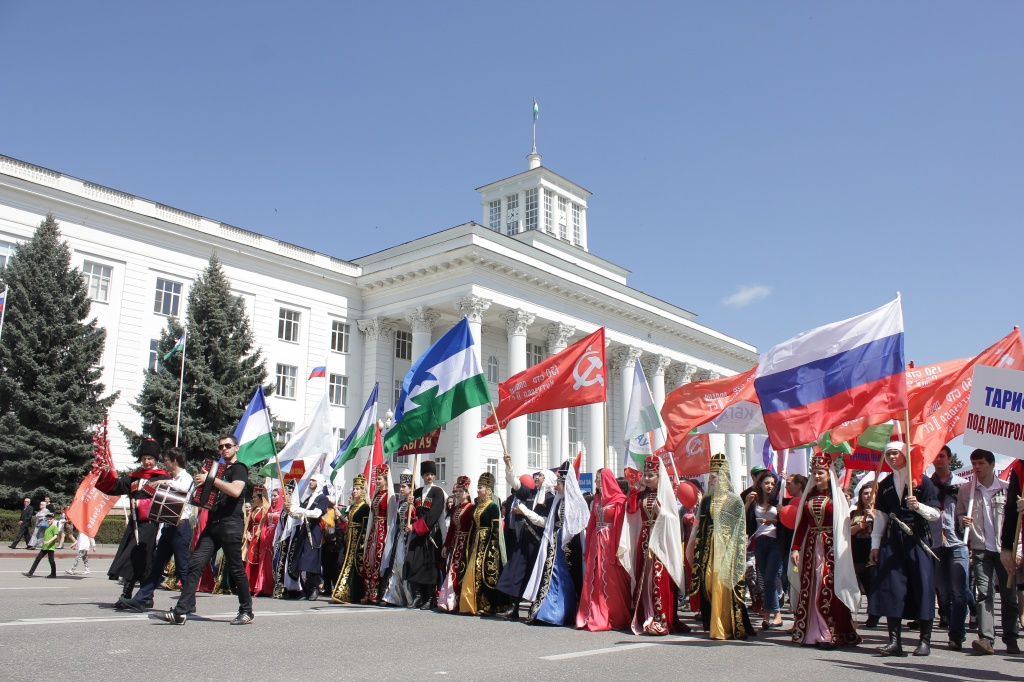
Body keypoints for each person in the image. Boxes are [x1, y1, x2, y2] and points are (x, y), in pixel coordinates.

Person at [158, 434, 253, 626]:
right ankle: (181, 611)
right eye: (220, 447)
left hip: (230, 524)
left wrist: (211, 479)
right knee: (195, 564)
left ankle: (246, 611)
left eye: (227, 446)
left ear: (236, 448)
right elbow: (204, 498)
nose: (223, 449)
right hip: (213, 523)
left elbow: (235, 491)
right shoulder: (218, 470)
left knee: (235, 568)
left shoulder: (239, 469)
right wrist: (203, 486)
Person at [869, 441, 940, 656]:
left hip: (917, 538)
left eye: (895, 453)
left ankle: (925, 641)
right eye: (888, 453)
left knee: (923, 584)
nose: (891, 457)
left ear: (905, 455)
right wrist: (875, 544)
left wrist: (918, 506)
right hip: (893, 540)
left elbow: (936, 514)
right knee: (892, 587)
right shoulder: (886, 483)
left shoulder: (923, 481)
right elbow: (880, 517)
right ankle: (894, 642)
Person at [789, 454, 860, 649]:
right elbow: (802, 524)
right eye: (814, 473)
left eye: (820, 473)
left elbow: (843, 524)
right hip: (812, 546)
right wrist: (796, 549)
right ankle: (811, 631)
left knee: (826, 585)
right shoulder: (810, 495)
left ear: (829, 474)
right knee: (811, 586)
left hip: (831, 546)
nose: (817, 476)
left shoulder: (836, 496)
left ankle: (830, 633)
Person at [95, 438, 170, 608]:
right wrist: (106, 473)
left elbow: (167, 500)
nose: (146, 462)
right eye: (144, 458)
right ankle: (142, 596)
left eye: (150, 458)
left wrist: (143, 504)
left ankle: (129, 593)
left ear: (155, 459)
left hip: (151, 524)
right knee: (140, 558)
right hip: (134, 524)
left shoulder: (163, 477)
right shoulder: (134, 477)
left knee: (135, 556)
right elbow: (115, 487)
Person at [959, 448, 1020, 655]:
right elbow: (960, 514)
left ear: (992, 465)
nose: (976, 467)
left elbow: (1017, 522)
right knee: (983, 593)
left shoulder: (1006, 488)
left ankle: (1011, 638)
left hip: (1005, 550)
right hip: (980, 548)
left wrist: (1017, 549)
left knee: (1008, 594)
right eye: (974, 463)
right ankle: (986, 638)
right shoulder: (966, 490)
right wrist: (962, 521)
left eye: (981, 463)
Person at [687, 452, 755, 640]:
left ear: (723, 477)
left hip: (727, 549)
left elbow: (739, 527)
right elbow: (701, 526)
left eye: (714, 477)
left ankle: (727, 624)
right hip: (710, 549)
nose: (711, 481)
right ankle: (712, 621)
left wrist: (736, 548)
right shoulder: (706, 500)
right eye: (710, 477)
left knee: (724, 585)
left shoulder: (734, 500)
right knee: (708, 582)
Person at [122, 447, 194, 611]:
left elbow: (183, 488)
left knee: (183, 568)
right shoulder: (175, 478)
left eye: (167, 460)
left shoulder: (185, 477)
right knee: (156, 566)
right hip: (168, 527)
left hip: (180, 528)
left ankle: (189, 603)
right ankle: (142, 599)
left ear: (174, 461)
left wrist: (164, 481)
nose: (165, 464)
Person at [625, 456, 686, 636]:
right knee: (644, 578)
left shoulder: (665, 496)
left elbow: (674, 521)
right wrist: (634, 493)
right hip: (644, 540)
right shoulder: (643, 495)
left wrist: (663, 515)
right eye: (645, 475)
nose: (646, 478)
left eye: (651, 475)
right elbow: (631, 511)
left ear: (659, 477)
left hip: (660, 542)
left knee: (658, 579)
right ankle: (645, 614)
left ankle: (661, 617)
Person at [525, 462, 587, 626]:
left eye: (559, 483)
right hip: (555, 542)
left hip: (570, 544)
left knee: (568, 577)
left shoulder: (577, 502)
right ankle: (547, 612)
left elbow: (581, 524)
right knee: (551, 575)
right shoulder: (558, 502)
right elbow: (552, 522)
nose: (556, 486)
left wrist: (568, 538)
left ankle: (564, 612)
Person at [496, 453, 554, 620]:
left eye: (541, 475)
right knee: (516, 572)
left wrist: (525, 512)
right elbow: (514, 482)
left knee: (535, 576)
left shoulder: (550, 499)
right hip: (524, 541)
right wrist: (509, 464)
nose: (537, 478)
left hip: (538, 543)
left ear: (547, 479)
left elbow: (544, 522)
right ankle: (513, 608)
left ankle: (535, 610)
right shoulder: (531, 494)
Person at [576, 467, 632, 632]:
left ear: (606, 479)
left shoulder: (619, 500)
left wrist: (618, 548)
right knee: (595, 577)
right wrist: (587, 547)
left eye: (598, 478)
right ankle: (593, 611)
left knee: (610, 577)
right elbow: (591, 523)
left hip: (610, 541)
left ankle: (614, 614)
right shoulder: (597, 499)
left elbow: (621, 526)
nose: (596, 482)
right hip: (596, 540)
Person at [929, 444, 970, 650]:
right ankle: (953, 622)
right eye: (936, 456)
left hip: (957, 542)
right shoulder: (927, 485)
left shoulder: (963, 484)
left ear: (950, 459)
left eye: (942, 456)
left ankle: (956, 634)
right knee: (943, 593)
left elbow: (973, 511)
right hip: (936, 543)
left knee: (959, 591)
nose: (939, 460)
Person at [458, 471, 507, 616]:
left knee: (485, 573)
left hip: (487, 543)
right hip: (476, 542)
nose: (478, 490)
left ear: (488, 490)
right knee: (473, 571)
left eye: (481, 487)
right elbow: (473, 526)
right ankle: (472, 603)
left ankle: (487, 605)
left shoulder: (492, 506)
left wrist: (491, 547)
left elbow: (495, 529)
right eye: (478, 487)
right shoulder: (476, 506)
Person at [406, 459, 447, 610]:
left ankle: (430, 598)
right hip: (417, 533)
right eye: (427, 474)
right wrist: (410, 504)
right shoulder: (416, 492)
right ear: (422, 476)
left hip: (431, 534)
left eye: (431, 474)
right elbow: (413, 514)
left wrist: (415, 527)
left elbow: (434, 514)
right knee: (413, 562)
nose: (429, 477)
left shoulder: (438, 492)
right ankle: (417, 595)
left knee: (429, 566)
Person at [283, 473, 329, 600]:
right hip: (304, 531)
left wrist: (296, 509)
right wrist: (291, 511)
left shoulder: (322, 499)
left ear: (318, 483)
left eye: (313, 480)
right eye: (310, 480)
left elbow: (316, 514)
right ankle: (306, 589)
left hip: (313, 533)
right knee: (300, 560)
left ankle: (315, 587)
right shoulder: (309, 499)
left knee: (310, 561)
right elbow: (300, 515)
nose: (310, 482)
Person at [746, 472, 783, 629]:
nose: (769, 486)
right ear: (760, 484)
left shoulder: (779, 500)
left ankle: (775, 614)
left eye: (772, 483)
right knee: (765, 581)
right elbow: (744, 518)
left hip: (775, 542)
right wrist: (747, 503)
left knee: (769, 578)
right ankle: (770, 616)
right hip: (759, 542)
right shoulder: (755, 500)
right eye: (767, 482)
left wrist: (776, 519)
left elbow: (786, 521)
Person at [438, 476, 474, 613]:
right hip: (455, 545)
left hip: (465, 544)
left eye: (461, 491)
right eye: (457, 491)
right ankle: (448, 600)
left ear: (467, 493)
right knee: (451, 570)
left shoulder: (471, 507)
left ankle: (458, 601)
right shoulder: (455, 508)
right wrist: (445, 545)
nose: (458, 493)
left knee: (461, 572)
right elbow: (451, 529)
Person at [332, 475, 369, 604]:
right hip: (349, 540)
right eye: (354, 488)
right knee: (343, 564)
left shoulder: (365, 508)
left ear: (363, 490)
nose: (355, 491)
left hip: (357, 541)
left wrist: (360, 543)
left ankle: (352, 593)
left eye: (358, 489)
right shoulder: (353, 507)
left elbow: (365, 528)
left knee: (354, 567)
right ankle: (344, 592)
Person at [381, 471, 415, 607]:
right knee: (396, 565)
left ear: (410, 488)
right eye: (400, 487)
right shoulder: (400, 503)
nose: (401, 489)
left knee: (403, 564)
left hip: (410, 538)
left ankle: (408, 596)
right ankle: (392, 596)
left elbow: (416, 518)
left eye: (404, 487)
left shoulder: (414, 502)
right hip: (400, 537)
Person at [849, 484, 878, 627]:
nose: (868, 496)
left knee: (871, 584)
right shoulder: (854, 513)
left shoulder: (880, 511)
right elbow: (846, 532)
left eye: (870, 493)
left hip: (872, 550)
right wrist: (857, 527)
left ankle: (873, 614)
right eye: (865, 493)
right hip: (856, 550)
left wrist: (873, 517)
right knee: (854, 585)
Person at [362, 464, 391, 604]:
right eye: (376, 479)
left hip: (383, 529)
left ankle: (376, 592)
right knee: (369, 559)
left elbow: (391, 517)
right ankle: (368, 591)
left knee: (379, 561)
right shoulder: (377, 495)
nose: (377, 481)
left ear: (386, 480)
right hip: (374, 529)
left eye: (379, 479)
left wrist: (388, 535)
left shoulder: (389, 496)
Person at [244, 485, 276, 597]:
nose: (253, 499)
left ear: (261, 498)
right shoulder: (253, 509)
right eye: (252, 497)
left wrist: (258, 534)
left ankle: (258, 585)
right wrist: (247, 532)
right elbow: (249, 524)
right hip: (251, 536)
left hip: (259, 536)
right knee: (250, 560)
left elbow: (264, 523)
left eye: (255, 497)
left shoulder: (265, 509)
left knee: (257, 561)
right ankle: (249, 586)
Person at [23, 513, 58, 578]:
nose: (49, 520)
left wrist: (48, 542)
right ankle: (30, 573)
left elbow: (55, 536)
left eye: (50, 519)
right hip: (45, 547)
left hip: (50, 547)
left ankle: (53, 574)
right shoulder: (47, 527)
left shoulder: (54, 527)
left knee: (51, 561)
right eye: (48, 519)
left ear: (53, 520)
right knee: (37, 559)